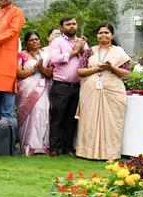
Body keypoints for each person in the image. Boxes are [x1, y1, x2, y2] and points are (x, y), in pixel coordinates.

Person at [76, 24, 131, 161]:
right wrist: (96, 69)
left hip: (113, 91)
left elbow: (126, 74)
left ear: (112, 35)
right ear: (97, 35)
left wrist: (111, 68)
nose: (103, 35)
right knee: (89, 120)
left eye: (106, 32)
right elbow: (80, 71)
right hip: (91, 91)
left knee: (112, 121)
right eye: (100, 33)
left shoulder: (119, 52)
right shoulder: (90, 51)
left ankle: (110, 154)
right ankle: (87, 152)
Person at [45, 16, 90, 156]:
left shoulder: (81, 42)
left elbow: (89, 60)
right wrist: (73, 52)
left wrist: (82, 50)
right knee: (58, 117)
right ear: (62, 27)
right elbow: (55, 59)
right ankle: (54, 147)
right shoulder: (57, 42)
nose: (72, 26)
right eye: (68, 24)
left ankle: (68, 148)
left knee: (71, 118)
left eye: (74, 24)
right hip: (61, 85)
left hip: (77, 86)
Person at [16, 31, 54, 156]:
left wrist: (41, 69)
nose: (35, 42)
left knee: (43, 113)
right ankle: (29, 145)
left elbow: (51, 73)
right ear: (26, 43)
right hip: (27, 91)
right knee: (31, 115)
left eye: (36, 39)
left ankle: (42, 146)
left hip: (44, 90)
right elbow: (18, 74)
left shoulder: (46, 55)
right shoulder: (21, 55)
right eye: (31, 40)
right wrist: (34, 69)